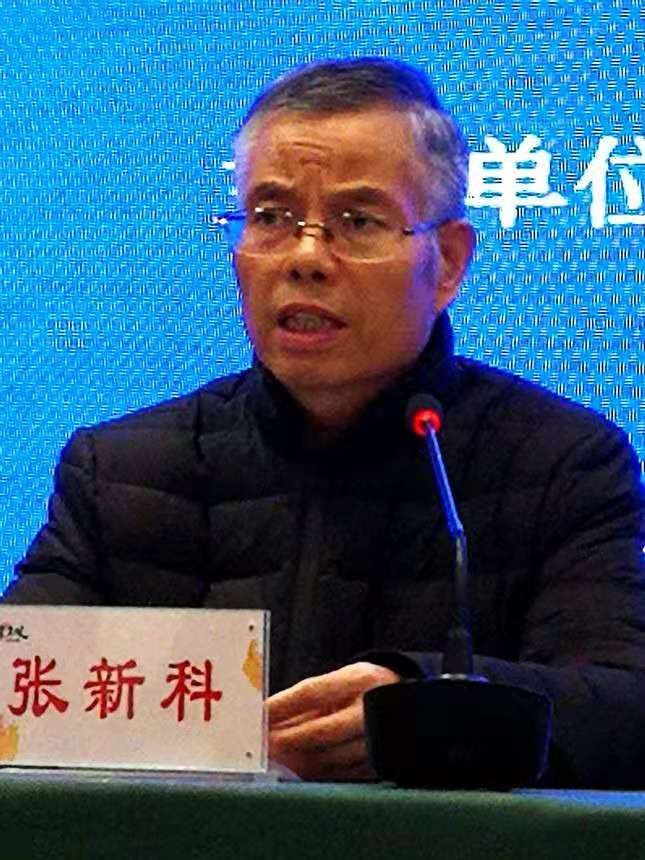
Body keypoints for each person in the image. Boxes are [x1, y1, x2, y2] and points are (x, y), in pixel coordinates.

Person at [3, 57, 644, 787]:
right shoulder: (120, 470)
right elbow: (15, 690)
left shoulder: (558, 462)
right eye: (270, 218)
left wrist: (423, 704)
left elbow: (622, 707)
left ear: (446, 263)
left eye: (357, 221)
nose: (305, 258)